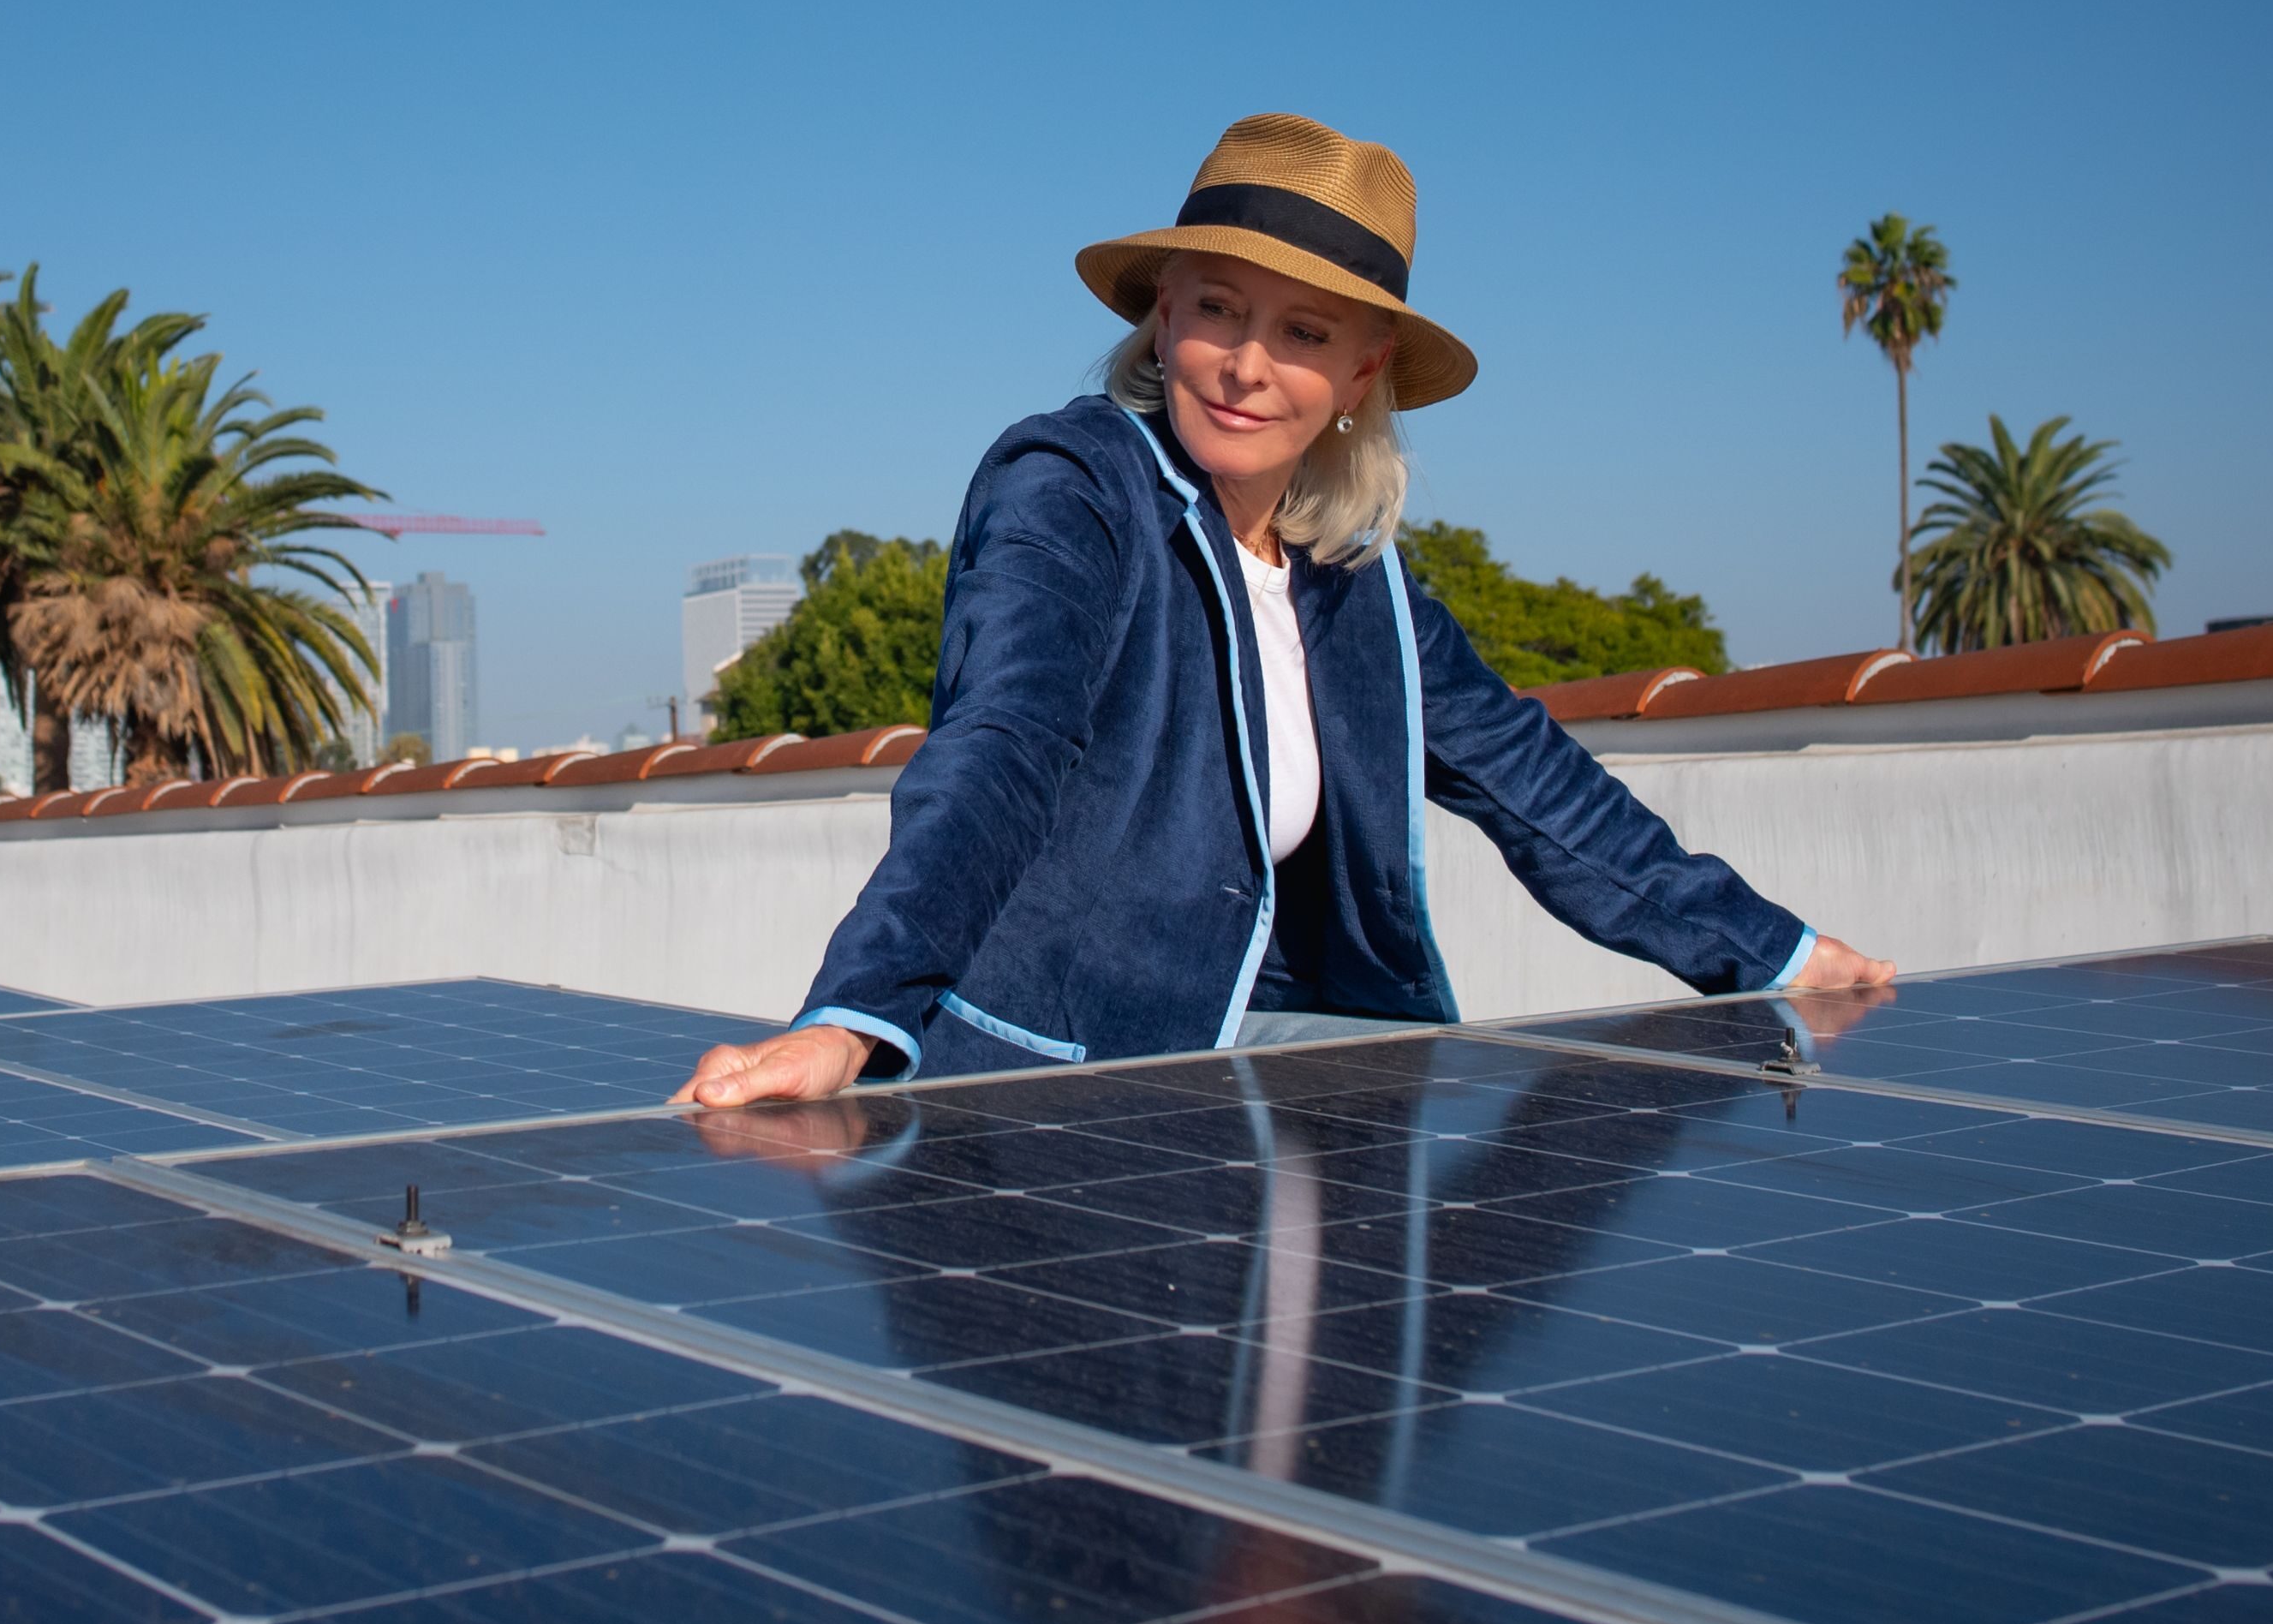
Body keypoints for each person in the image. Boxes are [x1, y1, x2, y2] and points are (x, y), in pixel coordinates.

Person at [676, 110, 1891, 1109]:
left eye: (1302, 331)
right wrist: (856, 1009)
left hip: (1269, 1109)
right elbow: (1001, 743)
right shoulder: (1074, 488)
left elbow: (1538, 789)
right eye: (1215, 307)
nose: (1244, 363)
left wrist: (1775, 952)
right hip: (1043, 1108)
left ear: (1362, 372)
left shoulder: (1356, 587)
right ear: (1162, 316)